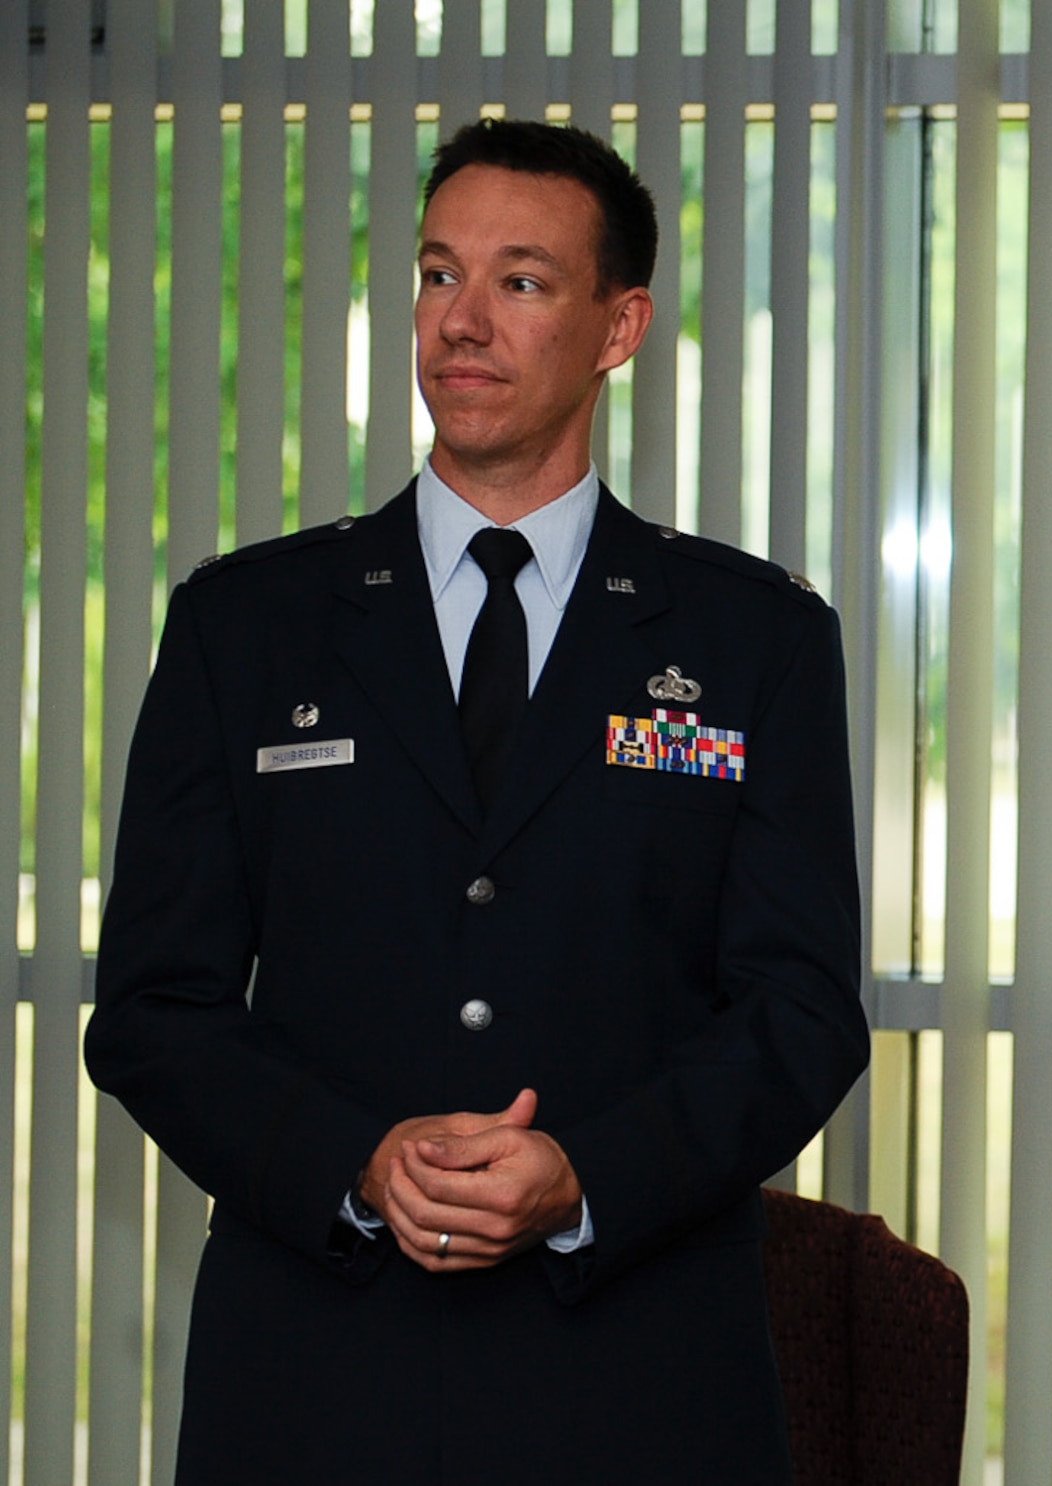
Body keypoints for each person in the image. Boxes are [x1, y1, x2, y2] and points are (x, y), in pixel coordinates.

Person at [85, 119, 868, 1484]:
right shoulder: (248, 626)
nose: (462, 320)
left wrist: (585, 1173)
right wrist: (356, 1158)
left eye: (520, 281)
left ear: (617, 326)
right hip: (319, 1376)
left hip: (637, 1378)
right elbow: (155, 1005)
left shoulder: (754, 640)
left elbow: (799, 1012)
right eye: (440, 274)